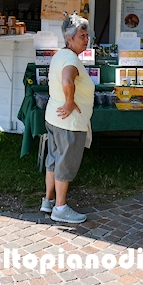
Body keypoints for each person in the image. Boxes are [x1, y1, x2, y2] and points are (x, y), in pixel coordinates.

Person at [41, 14, 95, 224]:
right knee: (65, 163)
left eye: (87, 35)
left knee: (53, 160)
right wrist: (70, 101)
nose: (86, 39)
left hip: (55, 118)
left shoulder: (61, 55)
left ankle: (49, 200)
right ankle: (60, 208)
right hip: (68, 123)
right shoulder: (71, 60)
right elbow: (67, 80)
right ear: (69, 39)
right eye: (82, 36)